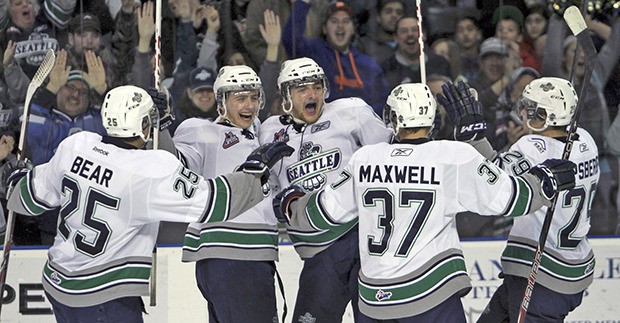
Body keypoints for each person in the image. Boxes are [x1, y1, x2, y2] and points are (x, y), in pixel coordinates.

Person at [273, 82, 576, 321]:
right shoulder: (453, 156)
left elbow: (323, 212)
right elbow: (511, 200)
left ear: (392, 119)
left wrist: (292, 204)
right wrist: (544, 182)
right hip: (430, 296)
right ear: (432, 119)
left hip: (374, 300)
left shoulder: (365, 158)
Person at [3, 84, 293, 323]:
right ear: (143, 125)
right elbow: (213, 203)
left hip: (58, 284)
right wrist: (253, 175)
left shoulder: (75, 146)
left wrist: (15, 176)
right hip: (104, 295)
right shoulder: (149, 169)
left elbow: (29, 198)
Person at [436, 78, 597, 322]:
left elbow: (496, 182)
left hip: (542, 277)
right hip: (571, 271)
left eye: (530, 109)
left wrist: (473, 137)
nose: (522, 113)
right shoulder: (586, 141)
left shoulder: (533, 146)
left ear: (545, 116)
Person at [259, 57, 393, 322]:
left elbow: (390, 158)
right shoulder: (269, 131)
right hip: (317, 249)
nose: (312, 94)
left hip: (361, 238)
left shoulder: (351, 111)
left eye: (317, 87)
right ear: (286, 95)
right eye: (302, 89)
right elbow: (269, 188)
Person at [173, 65, 282, 322]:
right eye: (241, 98)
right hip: (233, 257)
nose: (250, 105)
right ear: (222, 101)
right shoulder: (203, 132)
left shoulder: (262, 136)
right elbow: (175, 167)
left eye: (254, 97)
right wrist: (163, 126)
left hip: (247, 259)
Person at [283, 0, 389, 115]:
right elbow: (290, 40)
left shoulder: (369, 65)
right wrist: (303, 3)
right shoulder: (313, 53)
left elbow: (382, 103)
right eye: (334, 21)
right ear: (324, 28)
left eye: (346, 21)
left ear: (353, 29)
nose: (340, 26)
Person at [381, 16, 451, 92]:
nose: (410, 34)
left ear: (424, 34)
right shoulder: (387, 67)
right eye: (404, 31)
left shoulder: (440, 62)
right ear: (396, 37)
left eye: (415, 30)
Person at [356, 0, 406, 66]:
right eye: (388, 12)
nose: (394, 15)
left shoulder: (410, 44)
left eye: (399, 13)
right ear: (378, 17)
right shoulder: (364, 45)